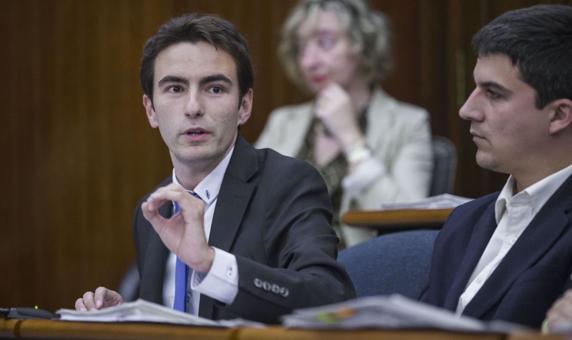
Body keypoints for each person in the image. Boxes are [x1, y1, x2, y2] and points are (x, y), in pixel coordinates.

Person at [73, 13, 355, 324]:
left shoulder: (287, 184)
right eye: (175, 89)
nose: (193, 107)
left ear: (244, 106)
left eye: (215, 89)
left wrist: (211, 264)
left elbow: (330, 297)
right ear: (151, 110)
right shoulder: (153, 209)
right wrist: (127, 314)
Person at [420, 4, 572, 329]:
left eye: (493, 93)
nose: (466, 110)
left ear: (559, 115)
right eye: (475, 88)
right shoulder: (463, 223)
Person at [256, 0, 433, 247]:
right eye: (301, 48)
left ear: (363, 45)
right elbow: (248, 204)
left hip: (359, 270)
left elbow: (410, 223)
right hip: (279, 268)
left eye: (325, 42)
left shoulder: (408, 123)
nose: (309, 61)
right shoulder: (283, 121)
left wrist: (351, 139)